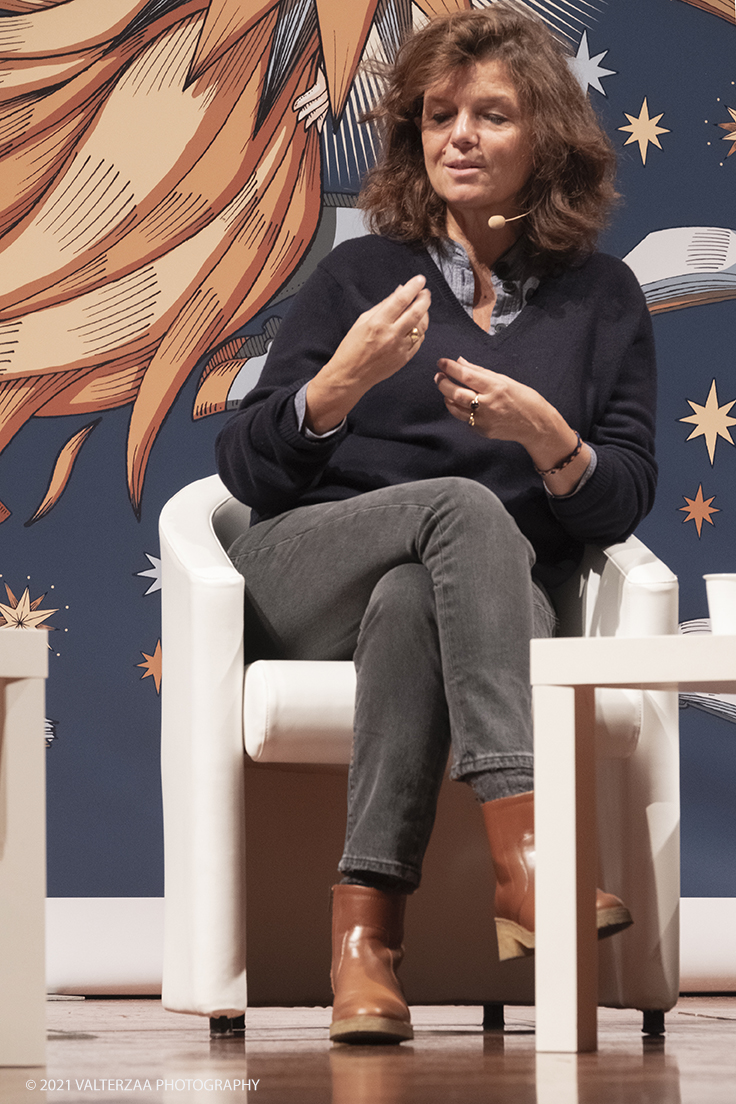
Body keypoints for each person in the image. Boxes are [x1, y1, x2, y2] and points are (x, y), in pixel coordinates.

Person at [215, 5, 656, 1046]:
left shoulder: (605, 299)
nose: (456, 134)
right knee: (452, 512)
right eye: (437, 115)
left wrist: (552, 440)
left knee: (419, 593)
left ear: (544, 135)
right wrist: (334, 386)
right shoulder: (358, 278)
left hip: (490, 599)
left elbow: (622, 496)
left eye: (490, 114)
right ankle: (529, 863)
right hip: (309, 567)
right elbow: (245, 473)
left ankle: (365, 947)